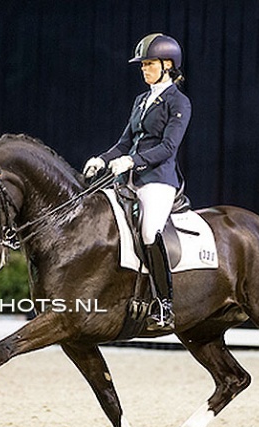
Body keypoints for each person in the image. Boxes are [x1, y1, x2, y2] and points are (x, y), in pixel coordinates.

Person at [83, 33, 191, 331]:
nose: (144, 70)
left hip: (158, 179)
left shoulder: (178, 102)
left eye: (149, 64)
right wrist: (102, 159)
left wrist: (133, 160)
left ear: (167, 64)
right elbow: (125, 142)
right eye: (142, 65)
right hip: (130, 177)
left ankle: (164, 305)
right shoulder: (141, 100)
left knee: (148, 230)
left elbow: (169, 147)